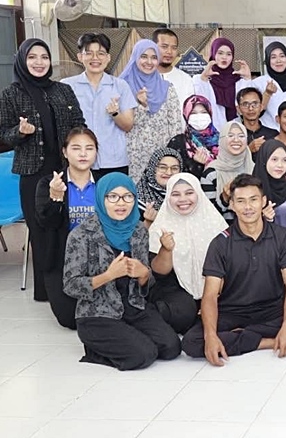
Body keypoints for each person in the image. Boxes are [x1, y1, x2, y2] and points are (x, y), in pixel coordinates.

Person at [181, 174, 286, 364]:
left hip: (272, 309)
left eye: (253, 200)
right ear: (232, 205)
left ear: (263, 202)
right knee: (192, 342)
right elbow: (210, 296)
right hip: (233, 313)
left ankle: (240, 336)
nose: (248, 207)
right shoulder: (220, 244)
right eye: (241, 201)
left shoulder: (283, 236)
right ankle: (267, 341)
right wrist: (210, 335)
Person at [62, 173, 181, 370]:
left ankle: (126, 336)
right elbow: (70, 285)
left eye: (127, 196)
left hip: (133, 307)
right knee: (144, 355)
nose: (121, 203)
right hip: (97, 314)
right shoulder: (81, 234)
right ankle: (95, 348)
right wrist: (108, 276)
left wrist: (144, 274)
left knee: (171, 348)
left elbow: (146, 284)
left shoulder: (138, 230)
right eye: (113, 197)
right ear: (101, 199)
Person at [1, 38, 86, 302]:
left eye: (44, 57)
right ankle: (46, 290)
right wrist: (20, 132)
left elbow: (79, 123)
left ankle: (70, 282)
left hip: (65, 169)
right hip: (32, 173)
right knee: (40, 230)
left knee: (65, 225)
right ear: (22, 61)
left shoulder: (63, 90)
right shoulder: (10, 94)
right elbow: (3, 135)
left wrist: (81, 149)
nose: (39, 62)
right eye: (32, 57)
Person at [34, 127, 99, 328]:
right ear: (64, 152)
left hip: (99, 257)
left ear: (96, 152)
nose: (83, 154)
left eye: (89, 148)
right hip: (62, 258)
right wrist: (56, 198)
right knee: (70, 319)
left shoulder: (104, 183)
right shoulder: (49, 183)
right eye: (76, 148)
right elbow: (46, 223)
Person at [148, 173, 228, 333]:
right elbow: (159, 272)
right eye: (175, 194)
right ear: (168, 197)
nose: (183, 199)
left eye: (189, 193)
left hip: (215, 285)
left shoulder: (215, 221)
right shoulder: (160, 225)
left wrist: (214, 295)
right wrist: (166, 249)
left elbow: (230, 263)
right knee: (182, 313)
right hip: (175, 287)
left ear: (198, 193)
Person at [63, 32, 138, 177]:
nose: (95, 58)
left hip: (113, 161)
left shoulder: (120, 86)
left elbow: (128, 125)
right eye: (89, 53)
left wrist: (115, 113)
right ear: (80, 57)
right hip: (78, 161)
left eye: (101, 53)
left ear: (108, 58)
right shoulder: (67, 86)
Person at [121, 39, 183, 184]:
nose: (149, 62)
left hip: (162, 158)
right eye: (144, 56)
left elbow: (175, 126)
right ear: (135, 57)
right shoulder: (122, 86)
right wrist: (141, 105)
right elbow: (121, 124)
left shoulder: (167, 88)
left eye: (154, 57)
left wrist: (172, 157)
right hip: (131, 157)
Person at [201, 121, 255, 223]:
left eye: (241, 136)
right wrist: (224, 198)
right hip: (223, 229)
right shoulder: (211, 173)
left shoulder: (255, 169)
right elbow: (207, 215)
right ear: (222, 140)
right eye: (230, 136)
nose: (236, 140)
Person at [194, 37, 250, 129]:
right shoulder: (201, 79)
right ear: (213, 54)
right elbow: (199, 103)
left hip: (233, 130)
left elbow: (245, 105)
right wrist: (203, 79)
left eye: (229, 54)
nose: (224, 57)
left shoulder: (238, 80)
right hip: (209, 131)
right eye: (220, 53)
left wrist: (247, 79)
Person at [167, 95, 219, 179]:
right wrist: (194, 163)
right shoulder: (178, 142)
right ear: (186, 115)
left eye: (204, 112)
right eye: (193, 113)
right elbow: (171, 173)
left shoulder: (222, 140)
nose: (199, 116)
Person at [252, 41, 286, 130]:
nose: (278, 60)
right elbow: (253, 113)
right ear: (268, 61)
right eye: (273, 57)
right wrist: (267, 94)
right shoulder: (259, 83)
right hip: (268, 134)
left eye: (282, 56)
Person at [136, 147, 183, 225]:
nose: (169, 172)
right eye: (163, 167)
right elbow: (133, 232)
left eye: (174, 168)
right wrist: (148, 222)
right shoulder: (137, 199)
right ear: (152, 169)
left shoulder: (185, 195)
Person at [152, 28, 194, 104]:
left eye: (174, 48)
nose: (169, 51)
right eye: (164, 46)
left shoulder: (185, 79)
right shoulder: (141, 78)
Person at [234, 87, 277, 160]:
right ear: (238, 109)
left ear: (261, 107)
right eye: (245, 104)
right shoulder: (233, 136)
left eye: (255, 103)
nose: (251, 108)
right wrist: (248, 150)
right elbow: (228, 162)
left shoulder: (273, 134)